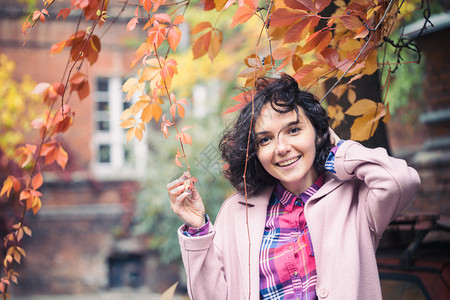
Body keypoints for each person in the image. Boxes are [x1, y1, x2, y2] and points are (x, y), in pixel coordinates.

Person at [167, 73, 421, 300]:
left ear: (318, 133)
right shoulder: (237, 211)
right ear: (255, 151)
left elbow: (400, 181)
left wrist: (337, 150)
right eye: (265, 139)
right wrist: (198, 228)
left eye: (294, 130)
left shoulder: (355, 198)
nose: (281, 148)